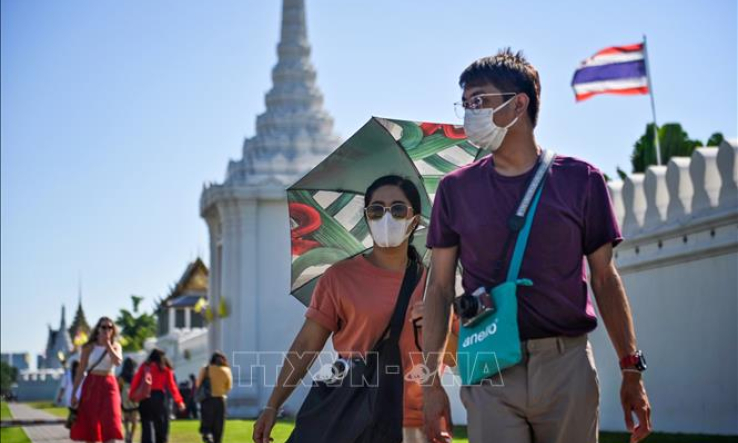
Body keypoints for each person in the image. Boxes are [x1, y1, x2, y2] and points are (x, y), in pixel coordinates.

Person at [421, 48, 653, 443]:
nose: (469, 114)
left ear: (519, 104)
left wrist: (631, 369)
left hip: (567, 365)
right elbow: (440, 288)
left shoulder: (581, 180)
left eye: (479, 101)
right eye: (464, 105)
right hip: (489, 363)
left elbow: (604, 278)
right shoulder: (454, 189)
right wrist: (429, 384)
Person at [253, 175, 453, 443]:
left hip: (415, 421)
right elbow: (306, 345)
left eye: (397, 209)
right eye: (376, 209)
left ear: (414, 220)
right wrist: (273, 404)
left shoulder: (436, 286)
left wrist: (437, 322)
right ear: (367, 218)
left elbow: (455, 357)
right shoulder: (339, 278)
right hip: (353, 415)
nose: (386, 217)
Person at [69, 317, 125, 442]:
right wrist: (74, 393)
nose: (106, 330)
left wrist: (108, 345)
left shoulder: (116, 346)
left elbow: (117, 362)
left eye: (110, 327)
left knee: (111, 419)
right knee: (91, 421)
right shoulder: (88, 347)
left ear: (113, 330)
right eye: (104, 327)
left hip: (109, 383)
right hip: (92, 383)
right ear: (98, 329)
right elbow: (80, 371)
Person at [130, 348, 186, 443]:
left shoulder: (145, 366)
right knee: (161, 426)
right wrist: (179, 401)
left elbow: (136, 381)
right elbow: (172, 386)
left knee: (147, 425)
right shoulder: (165, 368)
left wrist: (132, 395)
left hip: (146, 398)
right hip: (160, 398)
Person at [197, 351, 233, 443]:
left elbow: (198, 384)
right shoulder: (226, 370)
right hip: (221, 400)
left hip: (207, 400)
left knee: (207, 425)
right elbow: (229, 387)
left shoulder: (206, 369)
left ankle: (208, 438)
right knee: (218, 427)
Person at [118, 357, 139, 443]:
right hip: (134, 398)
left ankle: (127, 432)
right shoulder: (135, 375)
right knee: (134, 419)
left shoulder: (121, 376)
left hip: (125, 398)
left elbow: (119, 387)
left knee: (126, 418)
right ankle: (132, 436)